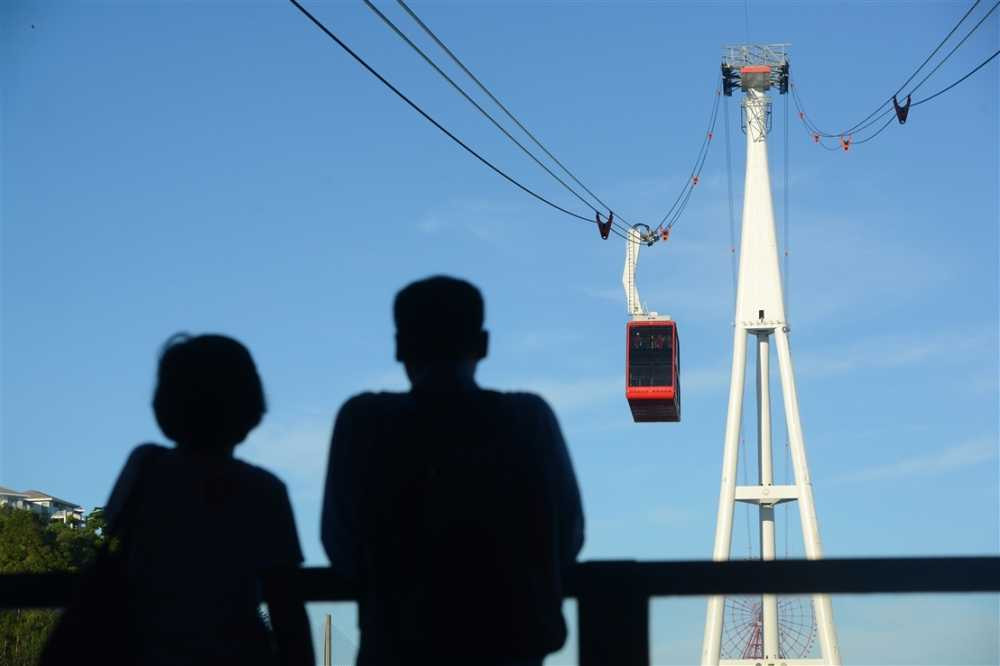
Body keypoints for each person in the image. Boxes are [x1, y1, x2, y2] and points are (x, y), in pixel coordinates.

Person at [322, 276, 584, 666]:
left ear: (400, 346)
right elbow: (569, 537)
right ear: (482, 345)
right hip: (511, 648)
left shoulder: (362, 422)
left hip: (396, 648)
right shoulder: (530, 420)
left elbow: (341, 546)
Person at [102, 334, 313, 666]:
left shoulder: (145, 468)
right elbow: (286, 605)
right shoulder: (264, 490)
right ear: (250, 404)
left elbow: (112, 537)